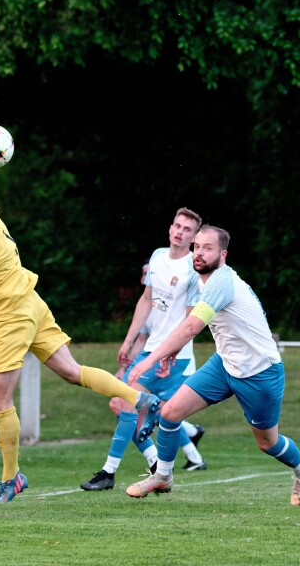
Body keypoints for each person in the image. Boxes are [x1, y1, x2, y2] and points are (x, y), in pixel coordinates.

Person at [0, 176, 162, 503]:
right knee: (73, 372)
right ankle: (140, 400)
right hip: (32, 304)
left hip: (11, 318)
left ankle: (11, 478)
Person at [122, 225, 300, 506]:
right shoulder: (202, 280)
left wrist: (150, 359)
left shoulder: (221, 282)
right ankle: (163, 476)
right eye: (197, 247)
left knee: (267, 443)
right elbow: (193, 325)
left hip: (259, 373)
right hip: (224, 365)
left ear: (222, 254)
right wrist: (171, 351)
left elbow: (191, 326)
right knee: (171, 412)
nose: (199, 253)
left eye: (208, 248)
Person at [82, 210, 208, 492]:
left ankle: (110, 472)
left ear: (194, 237)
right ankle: (155, 464)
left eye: (187, 229)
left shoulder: (192, 268)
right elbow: (146, 300)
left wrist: (168, 353)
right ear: (170, 228)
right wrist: (128, 342)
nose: (180, 232)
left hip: (175, 358)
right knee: (124, 405)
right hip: (150, 351)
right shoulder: (157, 256)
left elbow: (190, 321)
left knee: (130, 405)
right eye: (177, 226)